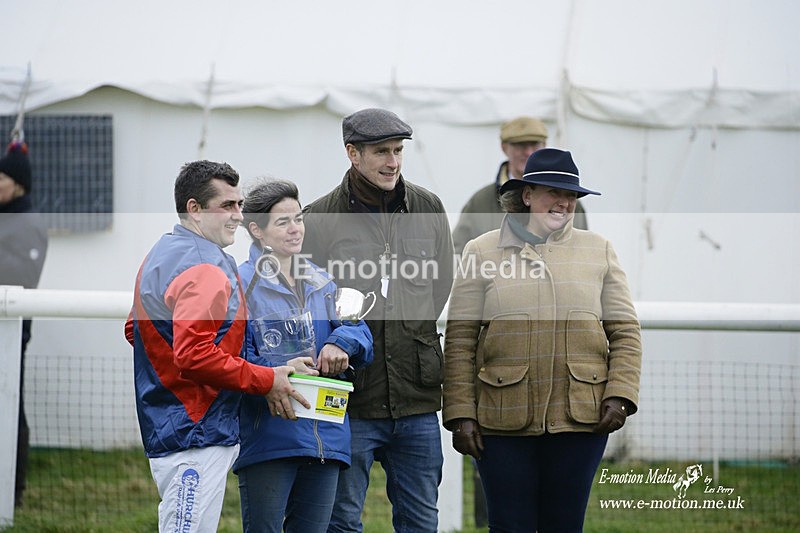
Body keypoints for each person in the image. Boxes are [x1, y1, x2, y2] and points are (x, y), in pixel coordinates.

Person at [442, 148, 642, 532]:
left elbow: (625, 331)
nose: (564, 202)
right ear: (527, 195)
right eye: (553, 191)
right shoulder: (480, 250)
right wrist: (461, 413)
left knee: (564, 525)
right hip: (501, 421)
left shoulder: (599, 250)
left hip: (581, 419)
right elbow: (460, 340)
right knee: (508, 526)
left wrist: (620, 394)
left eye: (571, 195)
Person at [124, 160, 310, 533]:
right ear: (194, 208)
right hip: (196, 430)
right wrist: (265, 378)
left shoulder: (164, 250)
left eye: (239, 205)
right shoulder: (205, 264)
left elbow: (135, 330)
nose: (238, 216)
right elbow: (193, 354)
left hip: (174, 421)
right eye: (227, 206)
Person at [302, 108, 454, 533]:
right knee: (342, 521)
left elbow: (440, 285)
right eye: (381, 152)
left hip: (417, 400)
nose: (393, 161)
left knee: (421, 522)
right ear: (352, 153)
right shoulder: (318, 218)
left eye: (398, 150)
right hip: (351, 400)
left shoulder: (428, 207)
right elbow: (309, 305)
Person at [234, 178, 374, 533]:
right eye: (283, 222)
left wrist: (341, 341)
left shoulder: (323, 281)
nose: (296, 229)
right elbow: (231, 357)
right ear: (256, 230)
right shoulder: (238, 284)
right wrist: (275, 370)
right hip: (270, 437)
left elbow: (361, 330)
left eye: (298, 218)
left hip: (327, 437)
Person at [452, 116, 588, 255]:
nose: (528, 152)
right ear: (504, 147)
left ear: (544, 145)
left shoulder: (570, 205)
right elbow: (458, 256)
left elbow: (583, 255)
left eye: (534, 144)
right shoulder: (480, 202)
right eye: (520, 145)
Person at [0, 139, 48, 508]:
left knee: (10, 404)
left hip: (11, 329)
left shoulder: (27, 221)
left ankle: (11, 490)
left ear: (17, 184)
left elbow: (21, 274)